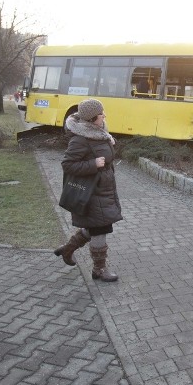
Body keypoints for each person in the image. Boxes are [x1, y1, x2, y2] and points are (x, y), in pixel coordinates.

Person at [54, 98, 122, 282]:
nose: (104, 116)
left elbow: (100, 149)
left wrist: (109, 142)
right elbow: (68, 165)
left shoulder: (100, 132)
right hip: (92, 192)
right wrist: (93, 164)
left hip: (103, 189)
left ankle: (68, 249)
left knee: (96, 226)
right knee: (101, 228)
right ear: (92, 119)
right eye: (101, 114)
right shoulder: (80, 139)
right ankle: (99, 270)